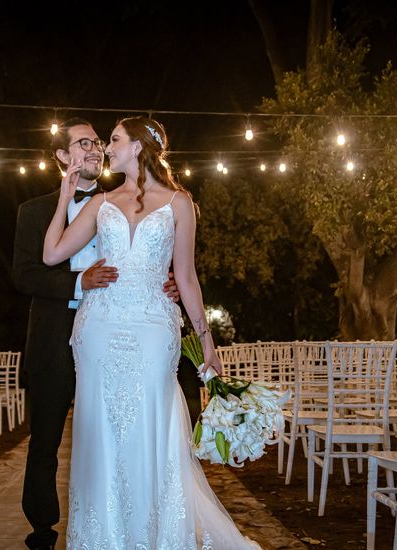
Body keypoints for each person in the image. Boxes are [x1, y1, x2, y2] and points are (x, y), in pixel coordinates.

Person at [42, 116, 259, 548]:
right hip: (99, 329)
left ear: (138, 147)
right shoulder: (99, 203)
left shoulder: (179, 202)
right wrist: (65, 195)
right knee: (100, 433)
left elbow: (188, 277)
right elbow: (51, 255)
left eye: (115, 140)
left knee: (150, 428)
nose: (107, 147)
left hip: (154, 330)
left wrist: (206, 343)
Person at [12, 118, 178, 550]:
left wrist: (164, 279)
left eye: (97, 142)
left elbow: (146, 253)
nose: (94, 149)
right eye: (82, 143)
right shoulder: (33, 211)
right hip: (55, 338)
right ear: (62, 157)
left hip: (115, 334)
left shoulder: (119, 201)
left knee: (113, 434)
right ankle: (43, 533)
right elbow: (25, 274)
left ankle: (122, 526)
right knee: (45, 443)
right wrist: (77, 282)